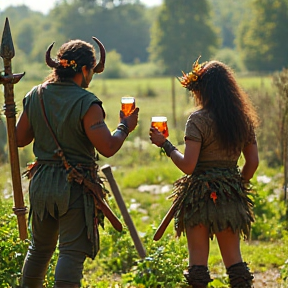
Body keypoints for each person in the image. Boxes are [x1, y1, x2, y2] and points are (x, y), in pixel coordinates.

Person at [16, 37, 139, 288]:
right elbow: (108, 147)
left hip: (41, 184)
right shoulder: (87, 103)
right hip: (74, 187)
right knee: (70, 254)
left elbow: (19, 139)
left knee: (39, 250)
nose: (91, 77)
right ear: (84, 70)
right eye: (91, 71)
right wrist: (125, 126)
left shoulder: (35, 95)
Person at [149, 57, 259, 288]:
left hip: (199, 199)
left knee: (197, 268)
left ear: (203, 89)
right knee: (235, 265)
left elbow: (189, 166)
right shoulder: (243, 120)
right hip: (229, 196)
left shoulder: (198, 120)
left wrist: (166, 145)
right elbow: (253, 162)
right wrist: (237, 186)